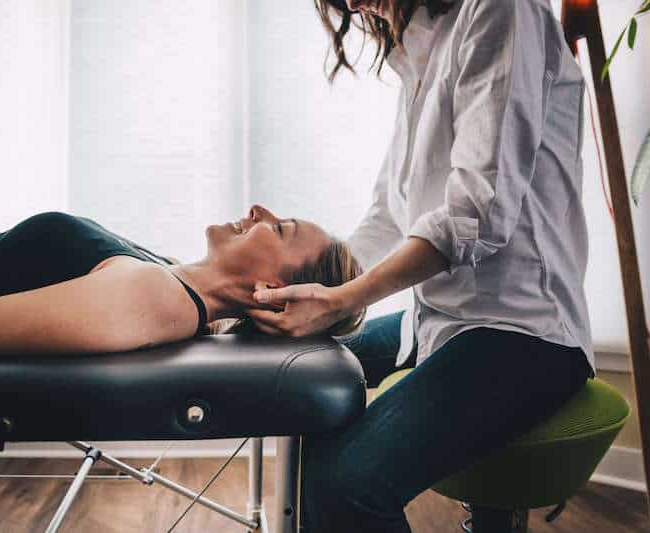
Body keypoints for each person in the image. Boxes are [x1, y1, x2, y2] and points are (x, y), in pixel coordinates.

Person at [248, 0, 595, 531]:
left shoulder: (500, 10)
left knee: (346, 483)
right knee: (302, 380)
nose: (357, 8)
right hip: (436, 322)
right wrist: (310, 290)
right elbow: (390, 212)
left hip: (525, 334)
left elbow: (478, 211)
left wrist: (345, 300)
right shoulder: (420, 51)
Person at [0, 163, 365, 359]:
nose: (259, 211)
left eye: (278, 228)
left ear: (274, 291)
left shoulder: (155, 301)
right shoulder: (166, 279)